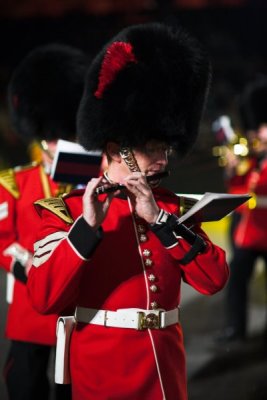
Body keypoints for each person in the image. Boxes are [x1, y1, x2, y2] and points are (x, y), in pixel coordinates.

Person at [27, 23, 229, 400]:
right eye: (152, 146)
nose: (163, 157)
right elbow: (43, 299)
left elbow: (214, 278)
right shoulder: (66, 210)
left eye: (165, 146)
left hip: (165, 371)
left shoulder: (169, 206)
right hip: (103, 371)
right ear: (119, 147)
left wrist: (160, 221)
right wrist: (86, 228)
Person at [0, 44, 89, 400]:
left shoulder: (91, 182)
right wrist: (25, 263)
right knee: (24, 387)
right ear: (42, 140)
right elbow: (3, 240)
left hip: (77, 311)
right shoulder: (15, 183)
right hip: (30, 309)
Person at [216, 77, 267, 343]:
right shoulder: (254, 159)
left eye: (263, 127)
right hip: (249, 234)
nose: (258, 134)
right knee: (236, 282)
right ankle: (235, 329)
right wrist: (233, 169)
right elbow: (239, 191)